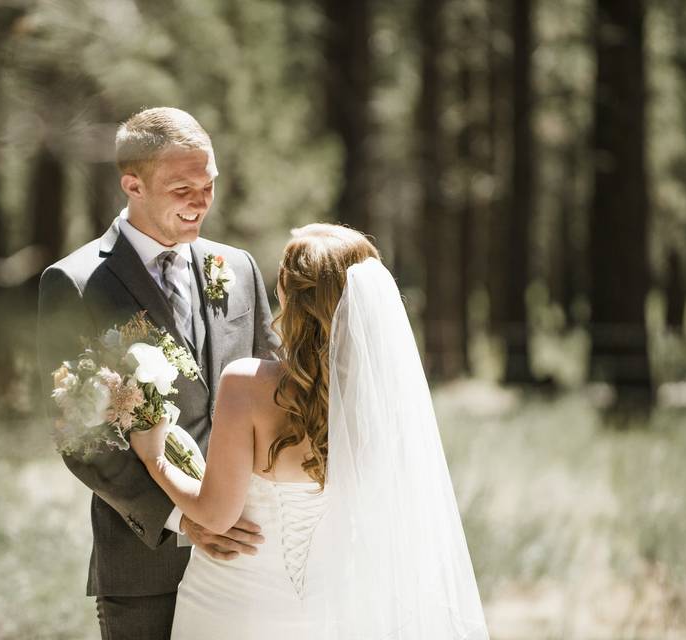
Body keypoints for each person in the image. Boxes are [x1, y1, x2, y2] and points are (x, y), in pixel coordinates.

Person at [131, 224, 490, 639]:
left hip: (233, 603)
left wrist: (155, 459)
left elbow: (216, 514)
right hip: (333, 608)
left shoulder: (245, 384)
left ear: (293, 298)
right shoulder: (378, 399)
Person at [37, 107, 280, 639]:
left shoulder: (237, 268)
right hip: (147, 562)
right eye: (182, 188)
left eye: (208, 184)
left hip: (252, 550)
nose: (200, 202)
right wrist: (184, 521)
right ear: (133, 184)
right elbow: (78, 435)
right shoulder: (75, 284)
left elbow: (276, 388)